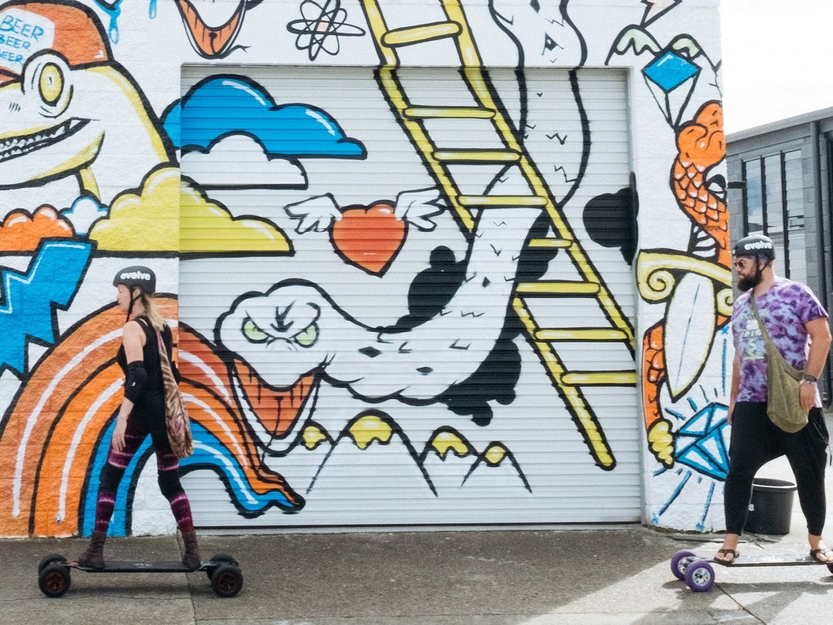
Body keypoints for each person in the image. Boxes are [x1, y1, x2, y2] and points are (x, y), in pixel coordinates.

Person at [715, 234, 832, 565]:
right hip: (752, 402)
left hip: (796, 397)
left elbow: (822, 337)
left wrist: (810, 381)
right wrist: (734, 399)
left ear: (764, 262)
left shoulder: (796, 293)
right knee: (738, 471)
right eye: (736, 264)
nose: (737, 270)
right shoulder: (740, 304)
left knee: (809, 472)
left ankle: (817, 541)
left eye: (742, 263)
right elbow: (739, 355)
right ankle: (730, 543)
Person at [77, 266, 201, 569]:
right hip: (164, 419)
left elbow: (137, 377)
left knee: (109, 478)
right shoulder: (163, 328)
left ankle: (95, 551)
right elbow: (171, 373)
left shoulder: (133, 328)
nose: (117, 296)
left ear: (135, 293)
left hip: (140, 416)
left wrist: (122, 420)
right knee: (170, 483)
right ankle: (192, 551)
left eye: (120, 290)